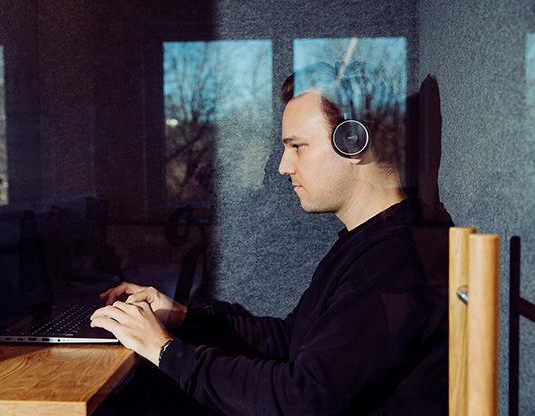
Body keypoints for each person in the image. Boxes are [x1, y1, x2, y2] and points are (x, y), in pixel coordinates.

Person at [90, 61, 453, 416]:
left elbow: (304, 397)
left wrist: (166, 351)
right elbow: (289, 339)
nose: (283, 166)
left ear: (353, 140)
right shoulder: (371, 243)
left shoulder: (394, 260)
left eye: (298, 146)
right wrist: (185, 318)